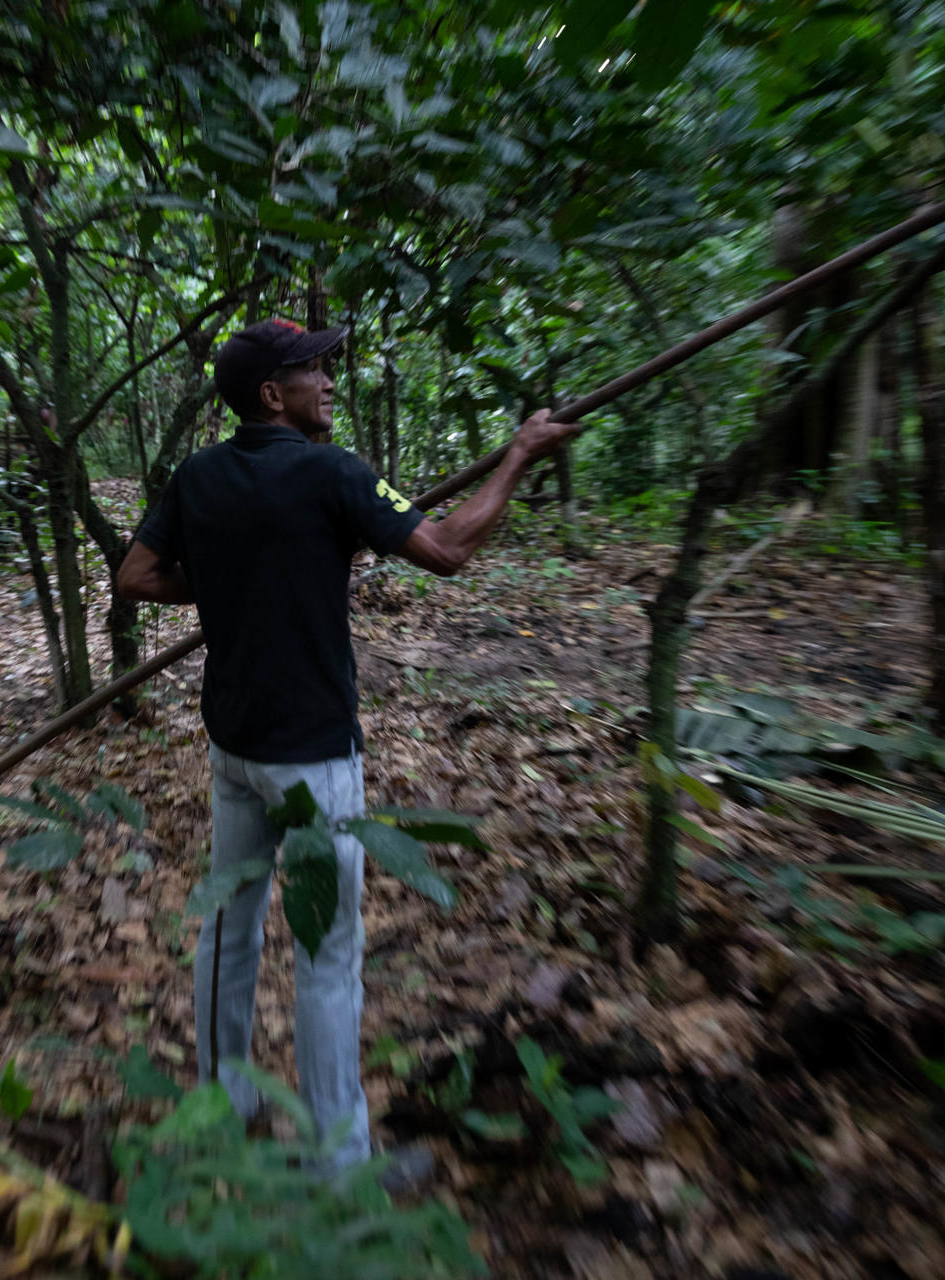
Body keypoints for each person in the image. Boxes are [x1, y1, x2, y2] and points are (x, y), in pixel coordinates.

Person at [117, 317, 580, 1178]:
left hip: (234, 746)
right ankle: (339, 1165)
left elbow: (136, 577)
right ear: (271, 395)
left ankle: (228, 1104)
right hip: (314, 759)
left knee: (230, 929)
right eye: (312, 370)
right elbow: (446, 550)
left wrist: (225, 586)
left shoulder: (199, 476)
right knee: (327, 959)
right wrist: (518, 455)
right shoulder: (336, 474)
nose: (329, 380)